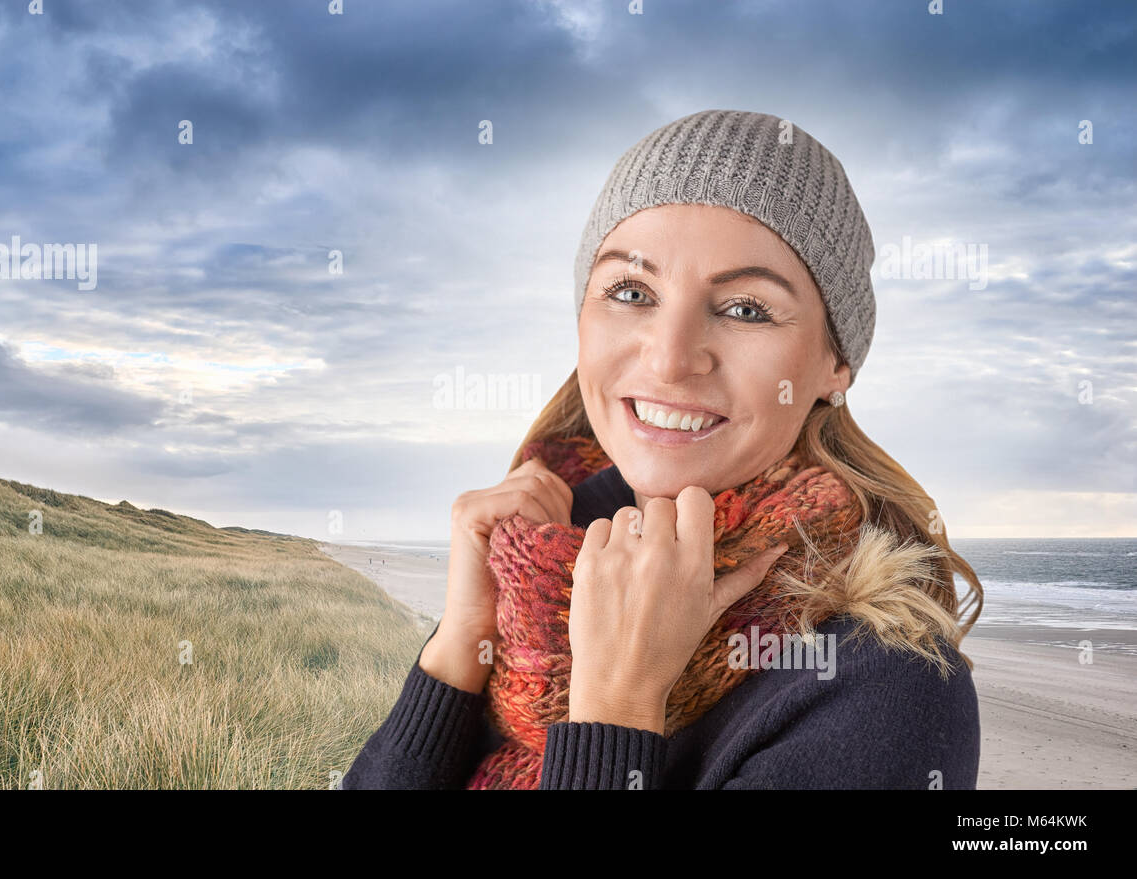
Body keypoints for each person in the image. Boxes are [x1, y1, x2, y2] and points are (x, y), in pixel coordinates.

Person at [342, 109, 983, 790]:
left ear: (834, 364)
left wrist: (617, 706)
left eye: (745, 308)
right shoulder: (532, 582)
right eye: (631, 292)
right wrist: (457, 651)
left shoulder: (884, 687)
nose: (673, 359)